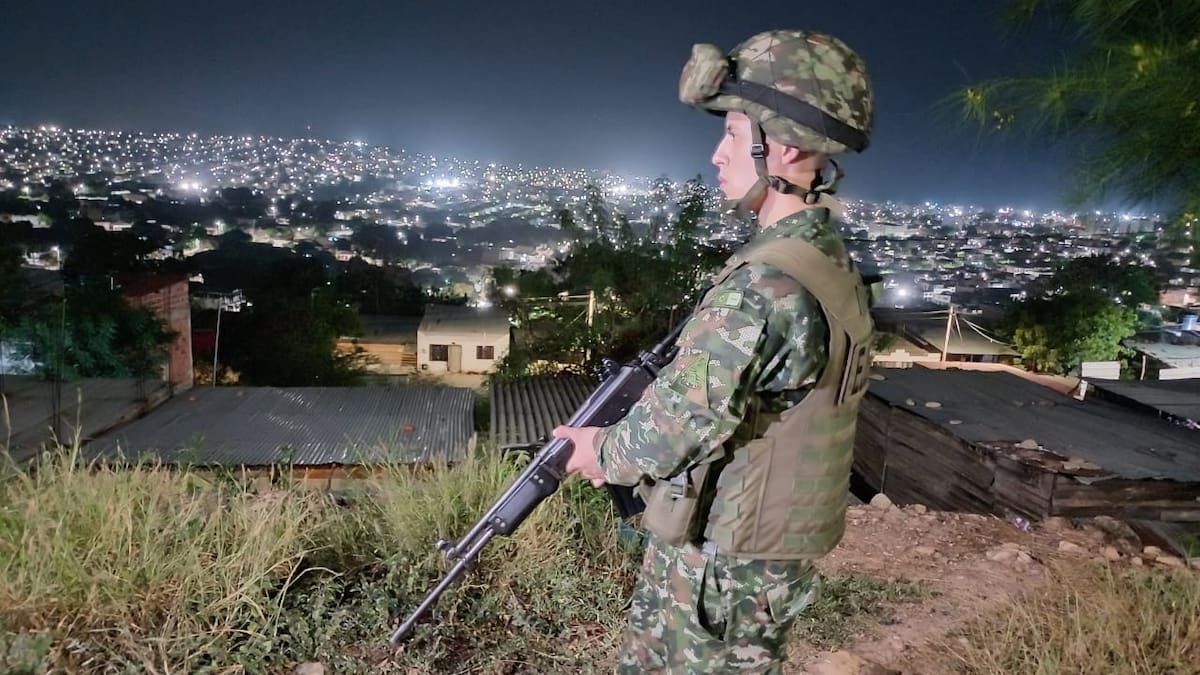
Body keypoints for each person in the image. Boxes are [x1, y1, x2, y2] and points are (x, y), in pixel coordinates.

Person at [553, 29, 876, 674]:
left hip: (722, 562)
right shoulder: (824, 257)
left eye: (732, 134)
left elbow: (677, 427)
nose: (718, 153)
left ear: (779, 146)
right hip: (760, 556)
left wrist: (600, 451)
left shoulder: (764, 284)